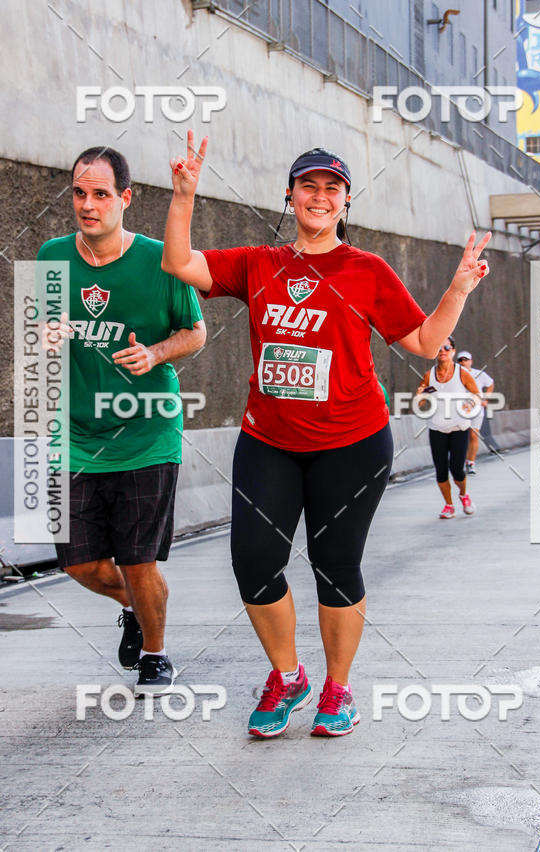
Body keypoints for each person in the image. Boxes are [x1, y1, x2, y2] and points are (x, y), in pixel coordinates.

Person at [162, 131, 490, 737]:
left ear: (345, 201)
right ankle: (288, 677)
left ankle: (338, 690)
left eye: (331, 188)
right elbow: (180, 264)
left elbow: (423, 342)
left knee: (335, 565)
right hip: (269, 442)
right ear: (290, 196)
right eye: (308, 185)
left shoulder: (366, 270)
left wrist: (459, 289)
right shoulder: (259, 263)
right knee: (254, 562)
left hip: (352, 444)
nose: (319, 196)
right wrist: (183, 195)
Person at [37, 146, 205, 695]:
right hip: (76, 436)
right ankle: (136, 607)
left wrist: (155, 353)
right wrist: (47, 336)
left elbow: (195, 332)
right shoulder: (51, 256)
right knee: (79, 564)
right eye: (79, 193)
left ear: (125, 198)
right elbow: (41, 335)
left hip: (146, 431)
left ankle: (156, 654)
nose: (88, 205)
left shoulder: (160, 260)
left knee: (138, 560)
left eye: (101, 194)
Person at [416, 337, 481, 518]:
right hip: (436, 427)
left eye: (446, 347)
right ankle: (449, 505)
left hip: (459, 427)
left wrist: (470, 403)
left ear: (453, 351)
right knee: (441, 470)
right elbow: (422, 398)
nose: (442, 351)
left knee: (457, 469)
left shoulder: (462, 373)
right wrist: (421, 396)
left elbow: (477, 394)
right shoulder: (430, 375)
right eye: (439, 347)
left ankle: (463, 495)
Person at [456, 351, 494, 474]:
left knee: (473, 435)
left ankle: (471, 462)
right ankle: (459, 462)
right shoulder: (453, 375)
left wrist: (486, 398)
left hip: (477, 409)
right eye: (460, 360)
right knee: (461, 437)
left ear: (471, 361)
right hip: (460, 410)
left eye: (466, 360)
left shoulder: (479, 374)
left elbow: (490, 384)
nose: (463, 362)